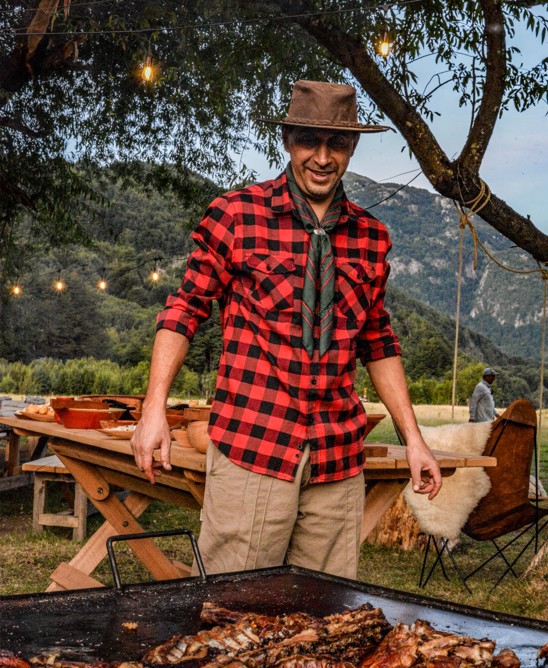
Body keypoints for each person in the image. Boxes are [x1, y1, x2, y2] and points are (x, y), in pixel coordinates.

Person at [131, 79, 442, 579]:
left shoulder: (371, 237)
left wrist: (414, 440)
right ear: (287, 141)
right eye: (308, 141)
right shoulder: (236, 215)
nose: (322, 157)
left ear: (352, 147)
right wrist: (153, 411)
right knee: (232, 607)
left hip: (337, 460)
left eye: (337, 143)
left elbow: (378, 342)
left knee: (325, 613)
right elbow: (183, 310)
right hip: (253, 448)